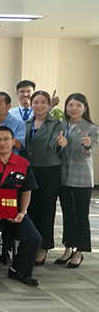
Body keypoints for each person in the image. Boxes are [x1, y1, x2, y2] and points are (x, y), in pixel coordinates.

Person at [0, 126, 42, 286]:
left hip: (14, 211)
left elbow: (26, 190)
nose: (2, 143)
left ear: (13, 142)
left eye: (6, 139)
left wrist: (22, 212)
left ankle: (19, 270)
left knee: (34, 238)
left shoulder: (23, 164)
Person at [55, 93, 98, 268]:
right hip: (63, 177)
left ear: (85, 108)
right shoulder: (61, 126)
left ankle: (79, 251)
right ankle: (68, 248)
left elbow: (87, 153)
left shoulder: (91, 128)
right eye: (70, 105)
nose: (74, 109)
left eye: (78, 105)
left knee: (81, 215)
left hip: (81, 178)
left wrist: (87, 146)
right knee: (67, 214)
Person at [23, 90, 64, 266]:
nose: (39, 106)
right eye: (36, 102)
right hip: (30, 169)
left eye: (43, 102)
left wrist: (60, 144)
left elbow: (55, 143)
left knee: (46, 211)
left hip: (49, 171)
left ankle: (43, 247)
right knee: (31, 209)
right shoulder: (27, 122)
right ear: (31, 104)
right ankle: (33, 243)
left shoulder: (56, 123)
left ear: (49, 105)